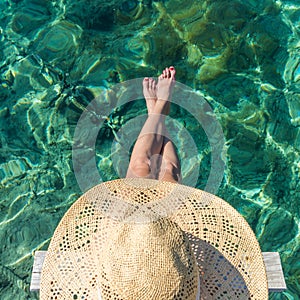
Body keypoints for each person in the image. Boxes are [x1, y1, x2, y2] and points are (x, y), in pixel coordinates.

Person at [126, 66, 181, 183]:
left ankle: (156, 110)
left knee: (139, 165)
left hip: (132, 201)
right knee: (170, 169)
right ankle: (159, 107)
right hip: (171, 202)